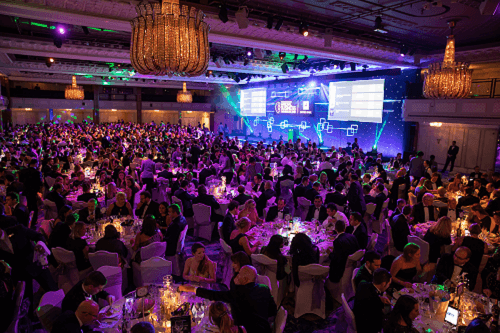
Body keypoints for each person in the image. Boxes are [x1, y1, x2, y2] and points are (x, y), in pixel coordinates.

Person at [179, 266, 277, 333]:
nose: (237, 275)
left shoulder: (238, 293)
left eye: (239, 274)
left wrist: (192, 289)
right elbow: (273, 311)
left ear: (246, 279)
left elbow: (214, 295)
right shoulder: (264, 288)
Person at [353, 268, 392, 333]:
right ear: (383, 284)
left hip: (358, 314)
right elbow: (378, 323)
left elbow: (370, 295)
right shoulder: (376, 303)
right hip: (366, 327)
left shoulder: (362, 283)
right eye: (389, 284)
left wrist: (379, 297)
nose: (388, 286)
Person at [18, 158, 43, 229]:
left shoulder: (23, 171)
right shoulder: (37, 172)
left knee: (28, 205)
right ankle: (33, 220)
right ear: (35, 163)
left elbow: (20, 180)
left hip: (25, 190)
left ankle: (28, 219)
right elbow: (40, 183)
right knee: (34, 206)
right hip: (33, 191)